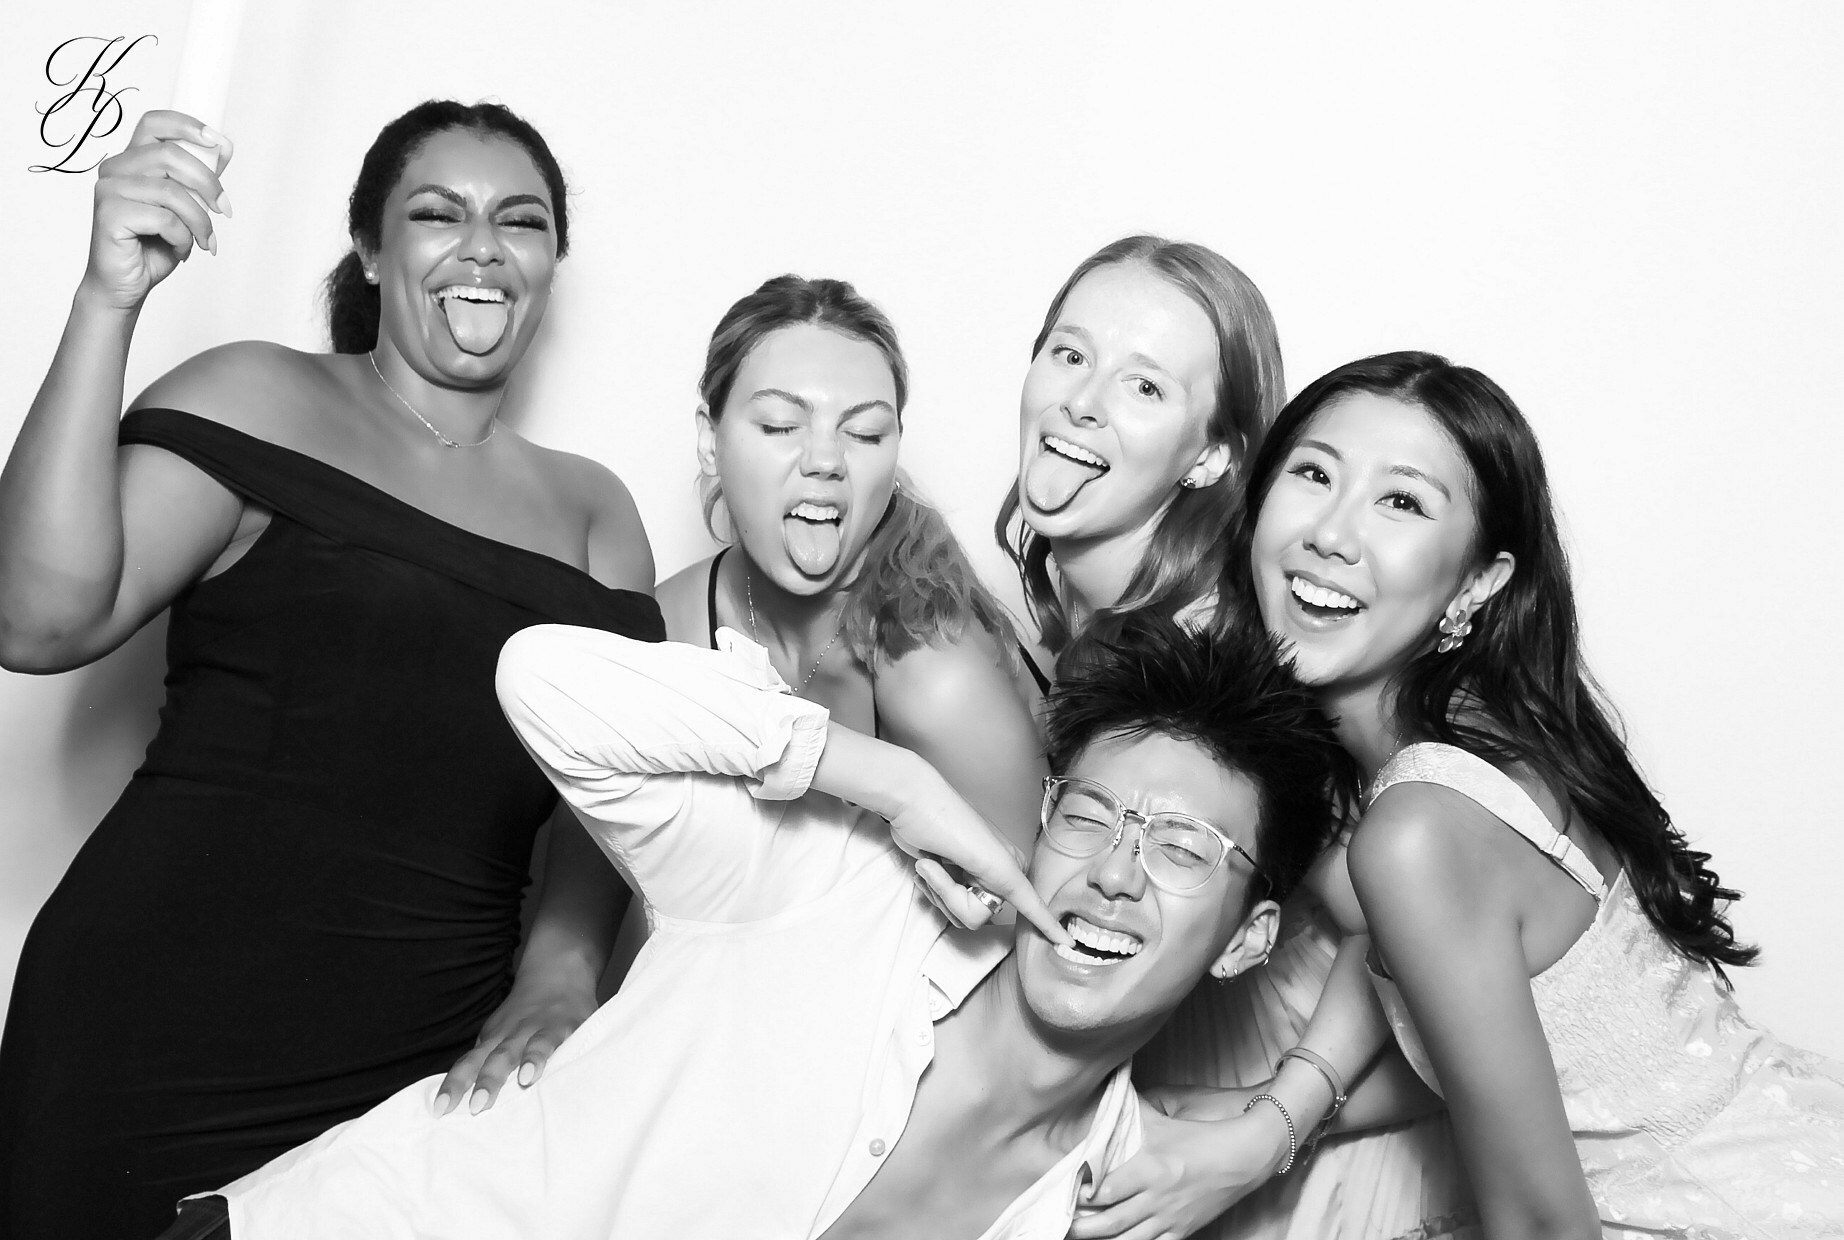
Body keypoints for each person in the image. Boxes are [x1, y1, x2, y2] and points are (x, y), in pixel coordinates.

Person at [0, 102, 661, 1238]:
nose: (483, 247)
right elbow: (37, 620)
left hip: (419, 1083)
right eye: (438, 214)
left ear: (552, 263)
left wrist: (561, 968)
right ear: (369, 248)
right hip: (147, 1032)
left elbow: (612, 796)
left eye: (521, 222)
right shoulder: (256, 396)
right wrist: (108, 299)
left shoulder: (594, 515)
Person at [161, 612, 1343, 1240]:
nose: (1115, 873)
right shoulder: (831, 886)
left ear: (1246, 939)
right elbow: (541, 679)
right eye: (1087, 815)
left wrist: (1278, 1126)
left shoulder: (1119, 1196)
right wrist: (884, 777)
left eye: (1182, 848)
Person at [1235, 350, 1844, 1237]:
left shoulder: (1420, 830)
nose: (1331, 533)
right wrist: (1266, 1121)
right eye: (1315, 474)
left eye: (1401, 501)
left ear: (1478, 583)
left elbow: (1542, 1226)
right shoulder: (1501, 734)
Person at [432, 273, 1047, 1111]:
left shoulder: (936, 668)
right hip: (701, 1047)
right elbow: (595, 819)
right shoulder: (670, 621)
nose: (824, 460)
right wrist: (557, 973)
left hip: (879, 1083)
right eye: (781, 425)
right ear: (709, 439)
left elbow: (1021, 949)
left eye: (865, 432)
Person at [997, 237, 1475, 1240]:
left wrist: (1267, 1124)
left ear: (1213, 455)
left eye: (1142, 386)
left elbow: (1412, 926)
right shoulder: (1099, 623)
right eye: (1069, 354)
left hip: (1296, 1127)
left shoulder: (1224, 647)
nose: (1081, 402)